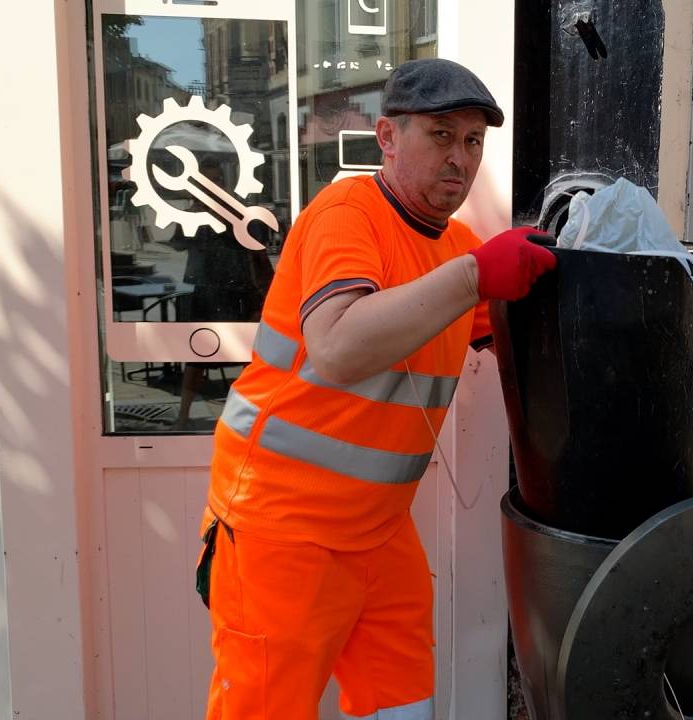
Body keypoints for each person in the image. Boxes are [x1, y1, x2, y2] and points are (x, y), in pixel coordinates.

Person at [197, 59, 556, 720]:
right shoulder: (346, 215)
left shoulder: (454, 249)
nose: (460, 158)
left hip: (378, 530)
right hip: (282, 527)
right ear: (387, 138)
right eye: (441, 135)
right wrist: (477, 275)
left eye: (473, 141)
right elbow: (336, 347)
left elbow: (520, 347)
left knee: (403, 704)